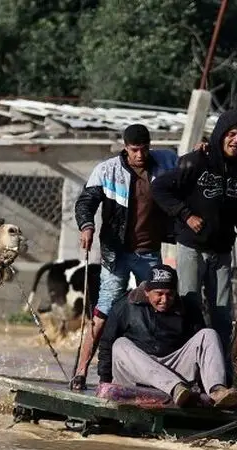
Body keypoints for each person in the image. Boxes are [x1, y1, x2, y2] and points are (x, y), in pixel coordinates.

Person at [71, 124, 179, 390]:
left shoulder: (166, 161)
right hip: (115, 253)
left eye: (144, 149)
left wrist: (203, 149)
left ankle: (161, 374)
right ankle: (81, 371)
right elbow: (86, 202)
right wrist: (87, 226)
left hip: (149, 252)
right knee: (104, 309)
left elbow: (190, 166)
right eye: (134, 150)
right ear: (125, 147)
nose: (140, 155)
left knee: (158, 305)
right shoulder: (106, 170)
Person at [151, 110, 237, 354]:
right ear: (221, 135)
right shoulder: (199, 161)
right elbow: (160, 188)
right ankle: (186, 360)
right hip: (192, 247)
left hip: (222, 251)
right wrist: (186, 215)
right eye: (231, 134)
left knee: (222, 313)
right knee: (189, 305)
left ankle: (220, 370)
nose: (236, 140)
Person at [97, 264, 237, 408]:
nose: (165, 300)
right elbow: (106, 345)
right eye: (159, 294)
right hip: (139, 370)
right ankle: (174, 387)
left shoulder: (188, 308)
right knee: (120, 344)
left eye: (170, 294)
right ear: (147, 291)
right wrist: (104, 382)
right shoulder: (125, 306)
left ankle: (217, 390)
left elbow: (204, 353)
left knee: (208, 335)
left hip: (174, 368)